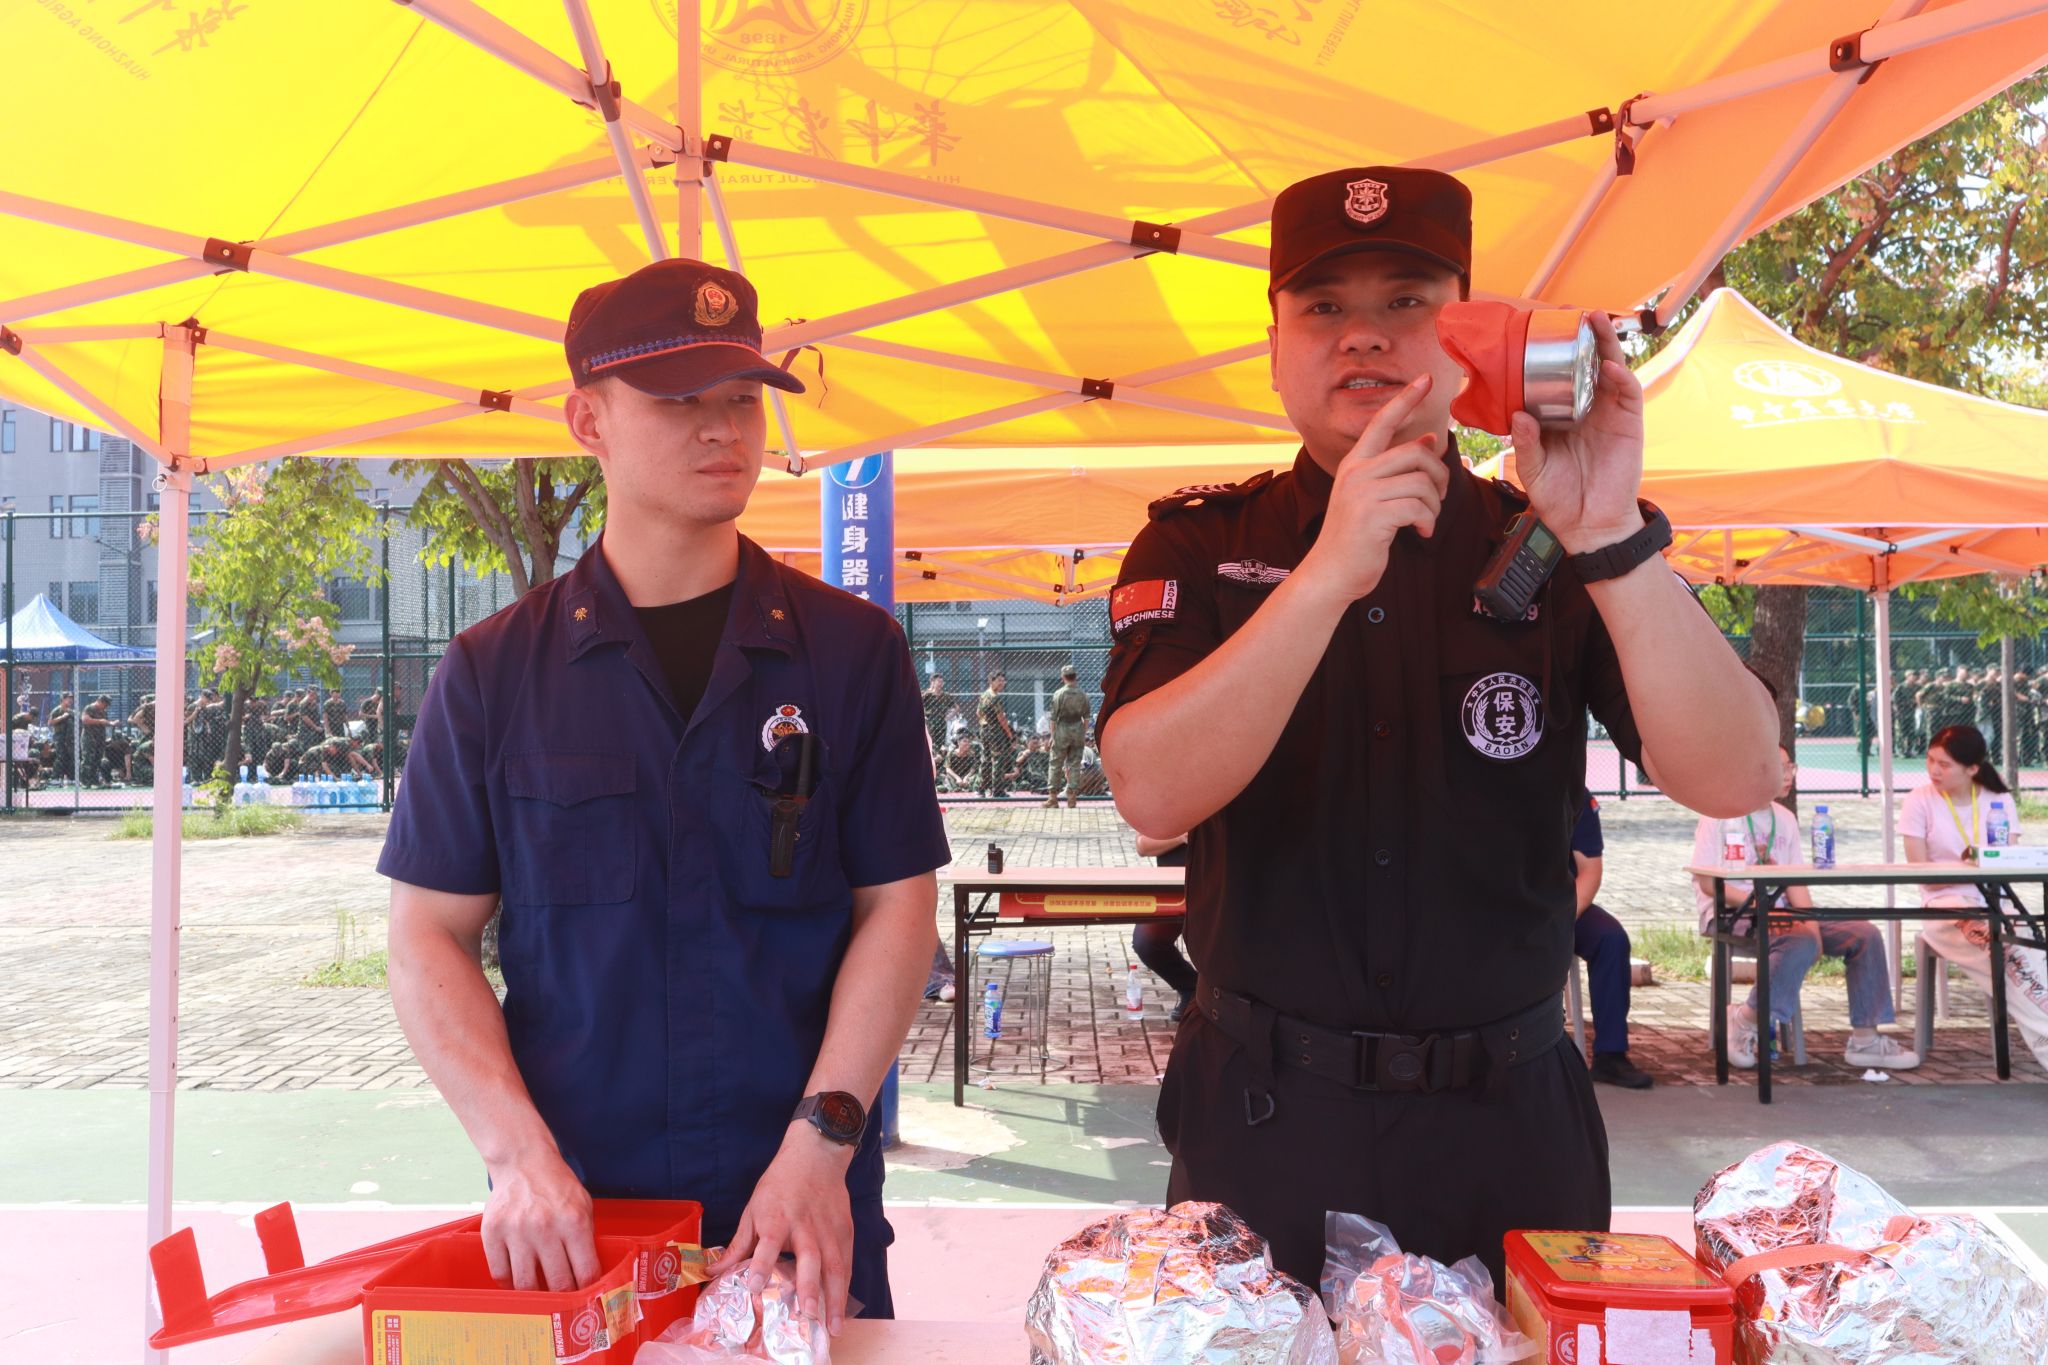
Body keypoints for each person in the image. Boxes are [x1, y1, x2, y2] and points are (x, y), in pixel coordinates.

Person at [1096, 164, 1779, 1290]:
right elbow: (1150, 794)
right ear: (1273, 347)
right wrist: (1326, 572)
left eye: (1405, 301)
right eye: (1322, 305)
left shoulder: (1548, 539)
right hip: (1264, 1122)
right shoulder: (1200, 546)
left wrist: (1608, 531)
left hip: (1508, 1130)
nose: (1362, 336)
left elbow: (1739, 774)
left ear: (1462, 337)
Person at [363, 258, 951, 1358]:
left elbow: (897, 907)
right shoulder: (494, 672)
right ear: (586, 419)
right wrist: (515, 1154)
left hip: (797, 1210)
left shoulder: (849, 654)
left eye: (740, 398)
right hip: (579, 1224)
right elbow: (426, 935)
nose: (722, 428)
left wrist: (822, 1143)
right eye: (678, 400)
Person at [1691, 745, 1917, 1072]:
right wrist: (1766, 909)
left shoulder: (1785, 819)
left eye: (1791, 767)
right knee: (1800, 940)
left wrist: (1810, 925)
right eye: (1781, 768)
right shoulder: (1719, 815)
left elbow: (1795, 882)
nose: (1789, 776)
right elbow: (1708, 883)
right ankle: (1745, 1019)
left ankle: (1866, 1040)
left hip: (1783, 913)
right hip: (1732, 914)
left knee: (1863, 933)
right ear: (1756, 770)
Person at [1902, 724, 2048, 1070]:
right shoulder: (1919, 800)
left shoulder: (1998, 800)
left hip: (1996, 904)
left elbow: (2008, 864)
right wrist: (1971, 868)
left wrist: (1983, 866)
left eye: (1944, 764)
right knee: (2011, 957)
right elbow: (1921, 873)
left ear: (1972, 769)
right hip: (1945, 908)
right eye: (1930, 760)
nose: (1934, 770)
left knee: (2028, 953)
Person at [1568, 791, 1652, 1089]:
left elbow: (1590, 872)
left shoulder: (1574, 796)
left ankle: (1610, 1055)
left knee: (1611, 939)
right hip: (1502, 907)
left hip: (1561, 903)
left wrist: (1556, 922)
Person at [1132, 831, 1198, 1020]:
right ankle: (1192, 988)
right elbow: (1143, 846)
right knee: (1147, 942)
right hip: (1173, 889)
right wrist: (1181, 836)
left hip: (1220, 883)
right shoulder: (1167, 813)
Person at [1044, 665, 1092, 807]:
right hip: (1077, 730)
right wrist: (1082, 732)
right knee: (1075, 764)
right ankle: (1072, 797)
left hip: (1062, 730)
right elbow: (1087, 718)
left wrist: (1052, 736)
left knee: (1055, 763)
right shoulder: (1083, 695)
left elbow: (1053, 718)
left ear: (1063, 678)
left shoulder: (1058, 694)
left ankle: (1053, 798)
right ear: (1076, 677)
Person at [975, 671, 1015, 796]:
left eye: (1003, 681)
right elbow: (1001, 718)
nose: (1002, 683)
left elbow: (978, 713)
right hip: (995, 731)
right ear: (991, 681)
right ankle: (997, 791)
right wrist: (1009, 733)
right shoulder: (995, 697)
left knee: (985, 759)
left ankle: (981, 789)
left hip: (984, 729)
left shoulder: (984, 695)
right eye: (999, 680)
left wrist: (986, 721)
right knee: (998, 760)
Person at [79, 695, 112, 787]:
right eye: (105, 704)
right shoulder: (90, 708)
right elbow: (85, 720)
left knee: (98, 760)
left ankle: (94, 780)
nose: (106, 706)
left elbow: (104, 722)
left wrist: (111, 723)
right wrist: (100, 721)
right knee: (88, 759)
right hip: (89, 738)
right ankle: (84, 781)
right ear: (100, 701)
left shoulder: (103, 711)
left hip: (100, 739)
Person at [921, 674, 950, 757]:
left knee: (940, 744)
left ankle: (938, 760)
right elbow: (917, 705)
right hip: (929, 721)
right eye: (939, 681)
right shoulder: (926, 694)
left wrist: (948, 716)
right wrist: (924, 716)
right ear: (932, 682)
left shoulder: (944, 695)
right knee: (930, 742)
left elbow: (955, 707)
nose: (941, 684)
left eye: (942, 682)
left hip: (941, 722)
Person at [48, 694, 75, 782]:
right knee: (60, 756)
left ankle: (71, 778)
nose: (70, 700)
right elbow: (50, 722)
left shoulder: (71, 712)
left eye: (71, 698)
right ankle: (55, 778)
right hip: (60, 736)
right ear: (63, 699)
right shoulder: (57, 710)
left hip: (70, 738)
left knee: (70, 757)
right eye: (68, 698)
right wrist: (62, 717)